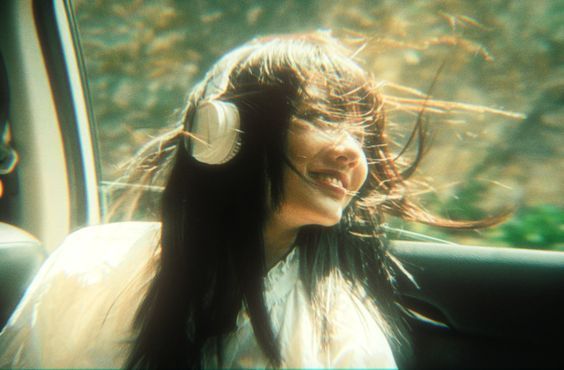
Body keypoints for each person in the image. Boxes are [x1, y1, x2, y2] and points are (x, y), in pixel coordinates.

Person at [0, 31, 500, 369]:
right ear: (220, 131)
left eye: (362, 135)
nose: (352, 152)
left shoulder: (344, 330)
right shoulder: (88, 264)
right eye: (322, 117)